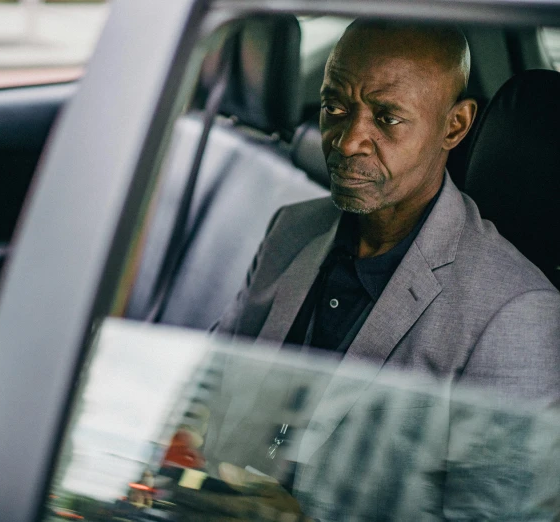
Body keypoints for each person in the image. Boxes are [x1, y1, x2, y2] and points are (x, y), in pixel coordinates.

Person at [170, 20, 560, 520]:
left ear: (454, 126)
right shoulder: (293, 229)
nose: (349, 140)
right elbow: (212, 379)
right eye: (336, 107)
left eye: (387, 118)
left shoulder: (517, 315)